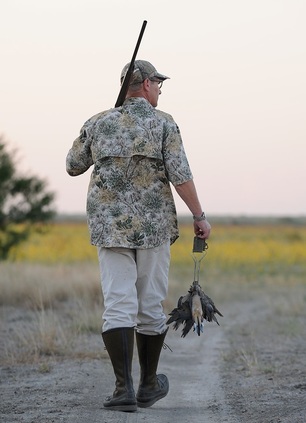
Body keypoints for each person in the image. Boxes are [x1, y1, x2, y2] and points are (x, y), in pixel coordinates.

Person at [66, 60, 211, 412]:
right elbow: (180, 175)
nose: (160, 88)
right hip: (154, 229)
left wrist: (102, 129)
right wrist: (199, 215)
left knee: (118, 304)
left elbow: (73, 164)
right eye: (158, 83)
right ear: (144, 84)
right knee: (150, 305)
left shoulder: (98, 121)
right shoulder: (164, 123)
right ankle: (147, 385)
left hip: (110, 228)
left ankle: (122, 390)